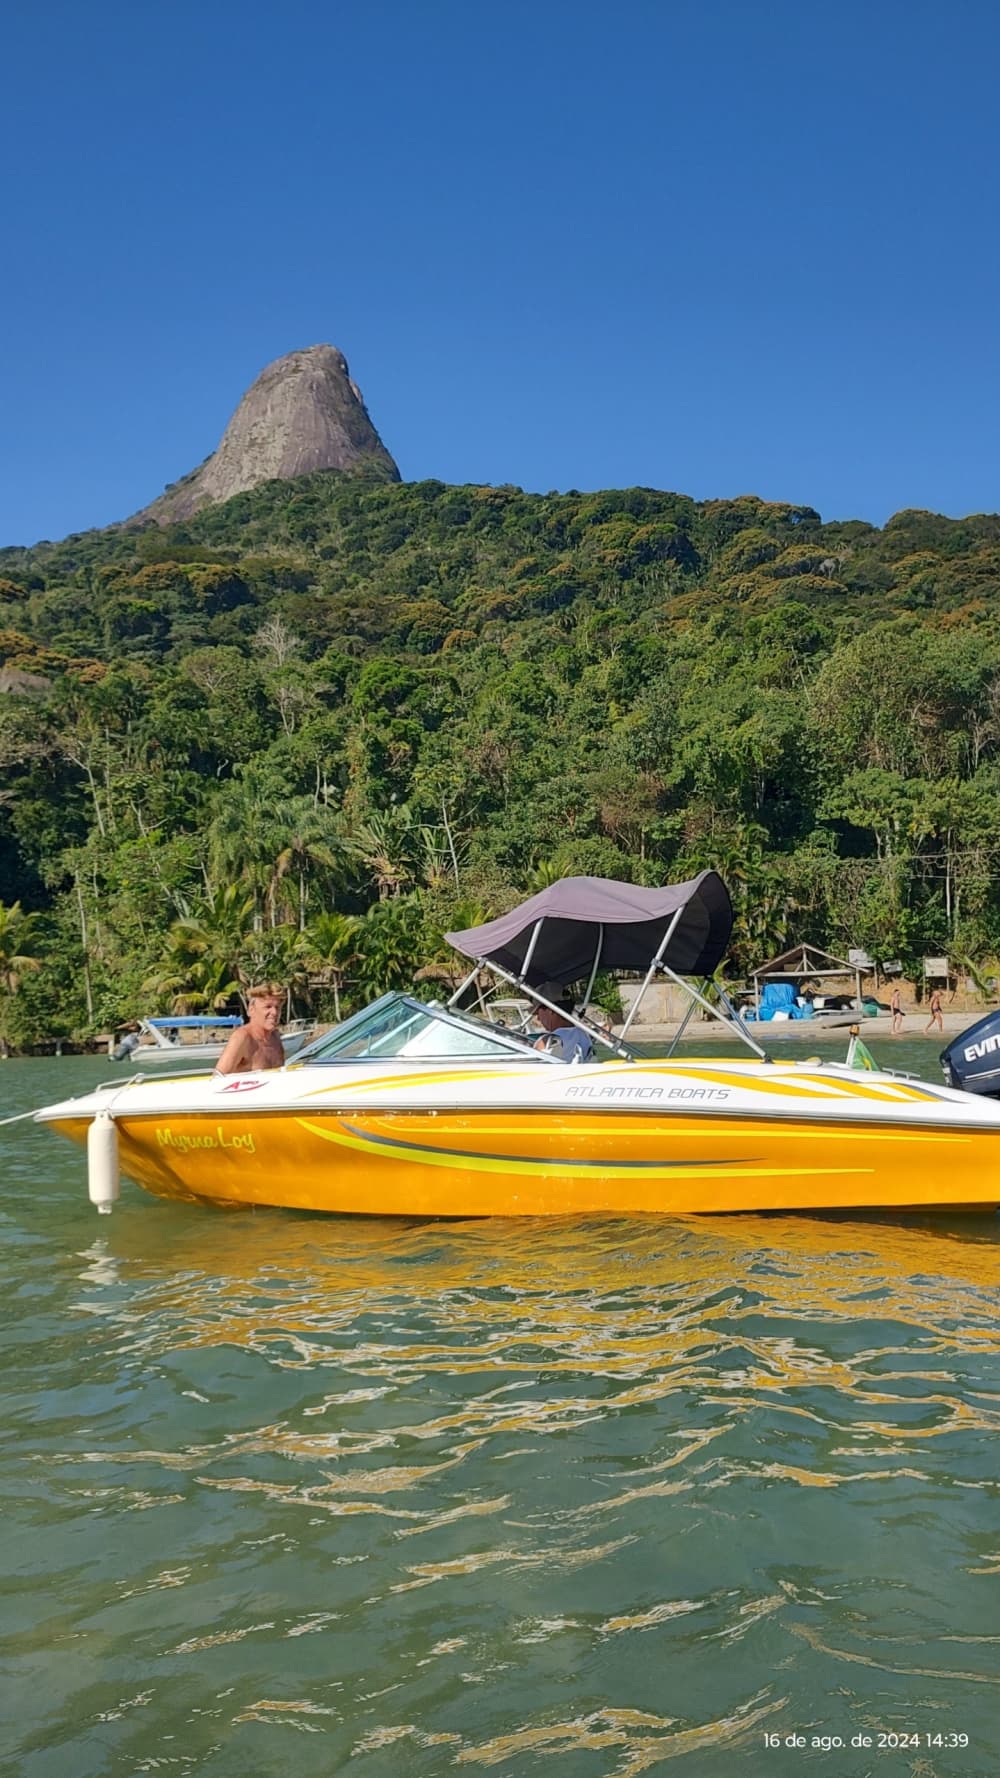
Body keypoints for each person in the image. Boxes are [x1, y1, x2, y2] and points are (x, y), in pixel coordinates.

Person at [215, 984, 286, 1074]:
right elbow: (218, 1079)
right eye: (267, 1007)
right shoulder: (242, 1038)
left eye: (277, 1007)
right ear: (251, 1010)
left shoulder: (275, 1036)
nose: (274, 1012)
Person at [532, 983, 594, 1062]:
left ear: (550, 1010)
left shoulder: (548, 1042)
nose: (538, 1018)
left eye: (538, 1013)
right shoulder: (584, 1035)